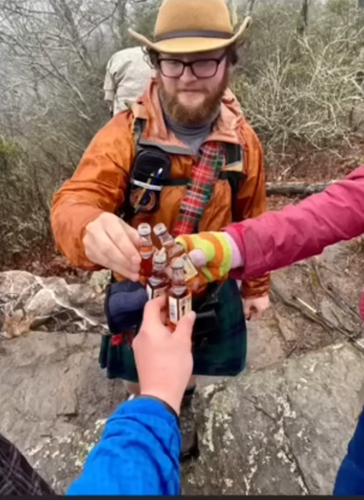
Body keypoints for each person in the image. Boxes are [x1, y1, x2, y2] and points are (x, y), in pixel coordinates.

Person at [51, 0, 270, 458]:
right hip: (142, 297)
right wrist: (87, 225)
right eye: (174, 61)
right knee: (141, 382)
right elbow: (73, 200)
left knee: (201, 378)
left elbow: (255, 220)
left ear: (230, 63)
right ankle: (149, 409)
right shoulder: (123, 136)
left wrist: (255, 287)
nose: (188, 75)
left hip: (210, 291)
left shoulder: (244, 143)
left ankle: (187, 405)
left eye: (205, 60)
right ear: (156, 64)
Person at [175, 164, 364, 496]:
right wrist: (230, 246)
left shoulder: (240, 141)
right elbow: (324, 214)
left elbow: (253, 201)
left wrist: (255, 286)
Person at [0, 297, 194, 496]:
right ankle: (143, 399)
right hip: (132, 299)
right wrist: (156, 401)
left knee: (185, 348)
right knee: (141, 362)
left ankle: (180, 400)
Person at [103, 46, 152, 116]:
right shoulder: (158, 56)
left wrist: (112, 111)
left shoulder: (116, 58)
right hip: (154, 115)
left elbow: (109, 97)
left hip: (123, 116)